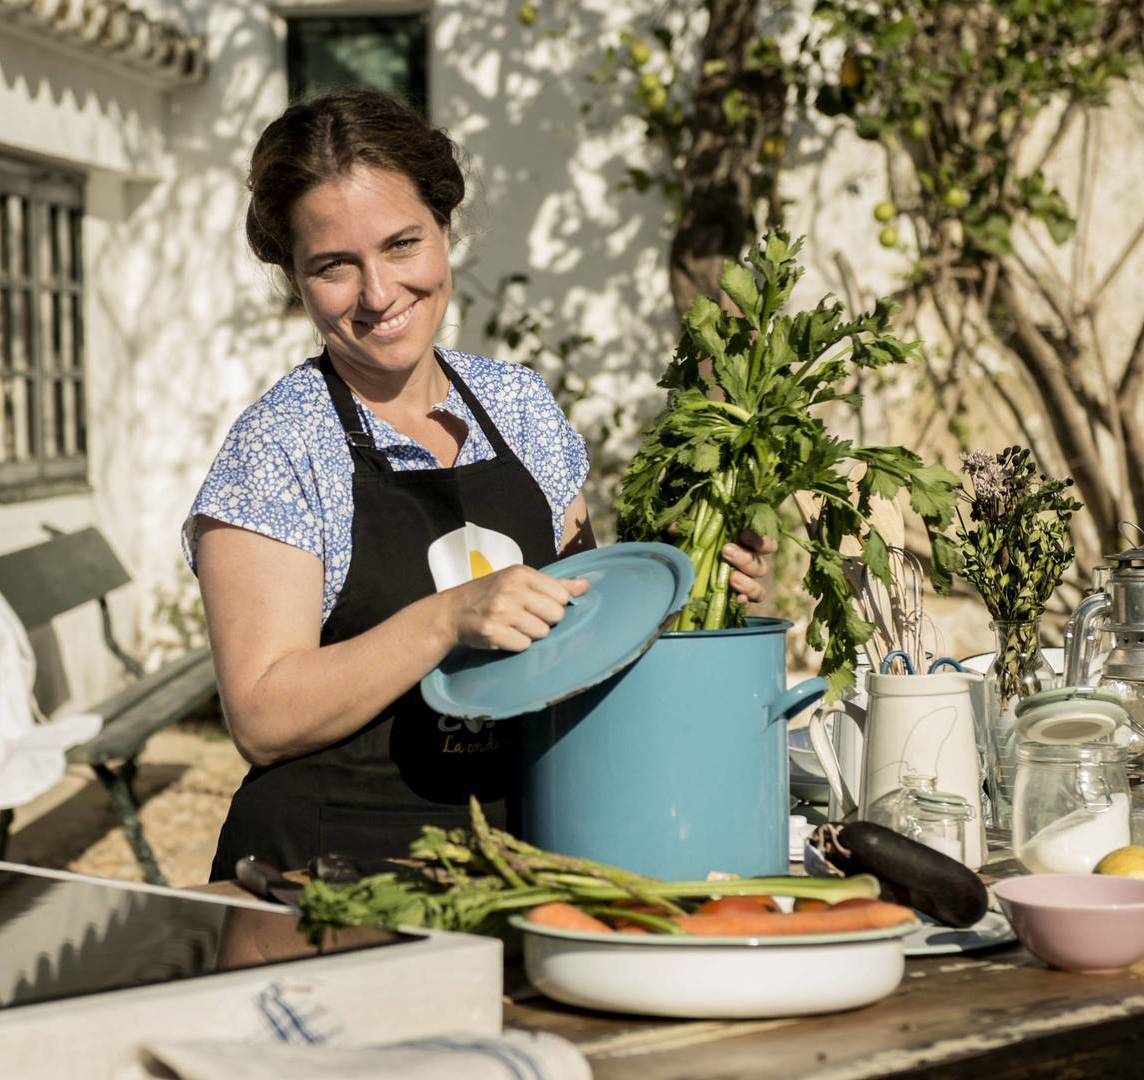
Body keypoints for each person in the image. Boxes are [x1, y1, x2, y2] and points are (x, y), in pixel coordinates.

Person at [185, 87, 773, 880]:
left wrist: (690, 591)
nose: (379, 293)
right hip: (328, 879)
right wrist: (446, 620)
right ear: (293, 276)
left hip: (526, 861)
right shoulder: (281, 446)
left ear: (445, 228)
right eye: (334, 267)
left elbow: (578, 640)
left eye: (401, 245)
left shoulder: (517, 406)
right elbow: (261, 713)